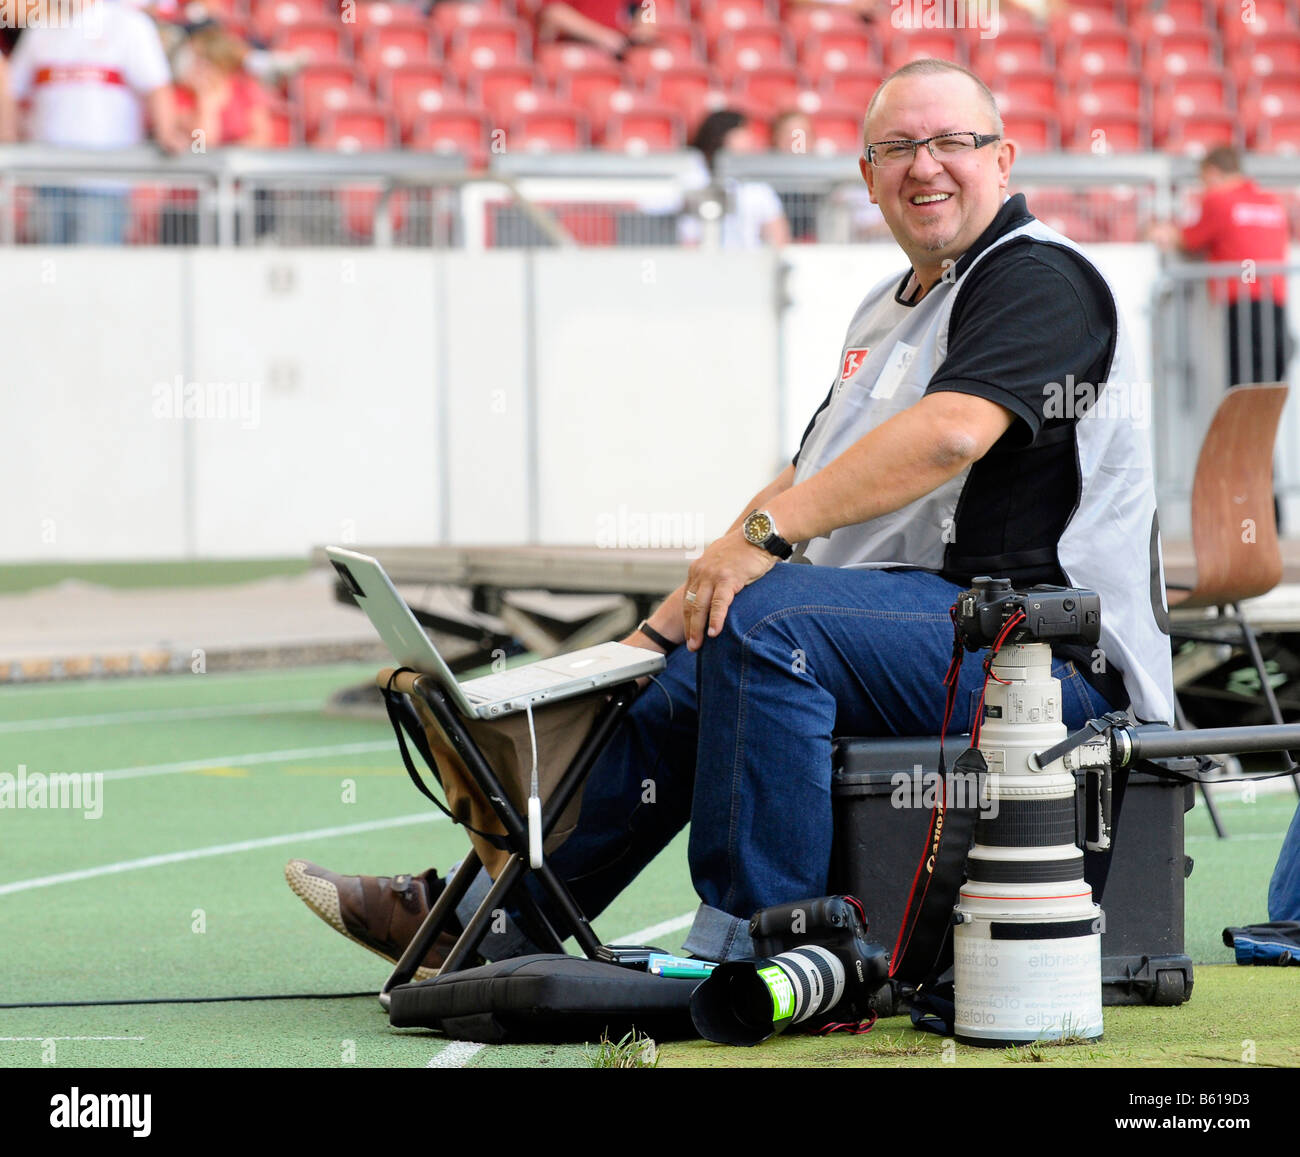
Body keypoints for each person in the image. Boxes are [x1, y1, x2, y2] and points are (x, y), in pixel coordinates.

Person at [286, 59, 1175, 970]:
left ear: (1004, 158)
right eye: (899, 146)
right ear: (867, 176)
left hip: (1054, 666)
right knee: (696, 651)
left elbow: (950, 434)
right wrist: (654, 632)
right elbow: (803, 478)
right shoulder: (888, 303)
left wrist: (759, 549)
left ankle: (769, 949)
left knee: (766, 617)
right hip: (940, 631)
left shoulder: (1040, 278)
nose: (926, 165)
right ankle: (487, 916)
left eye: (954, 141)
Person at [8, 0, 186, 244]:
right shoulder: (41, 28)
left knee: (95, 270)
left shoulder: (129, 24)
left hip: (104, 181)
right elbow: (11, 92)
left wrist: (167, 131)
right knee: (49, 271)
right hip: (46, 180)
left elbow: (156, 86)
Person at [1150, 146, 1293, 386]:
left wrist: (1163, 232)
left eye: (1204, 180)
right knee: (1271, 373)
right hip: (1275, 296)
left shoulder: (1219, 200)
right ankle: (1260, 422)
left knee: (1243, 377)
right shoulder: (1272, 201)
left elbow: (1190, 240)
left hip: (1241, 299)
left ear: (1213, 173)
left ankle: (1243, 423)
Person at [678, 109, 791, 248]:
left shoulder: (757, 186)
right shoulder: (693, 174)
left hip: (749, 263)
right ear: (724, 135)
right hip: (701, 261)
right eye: (743, 132)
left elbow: (778, 233)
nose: (750, 138)